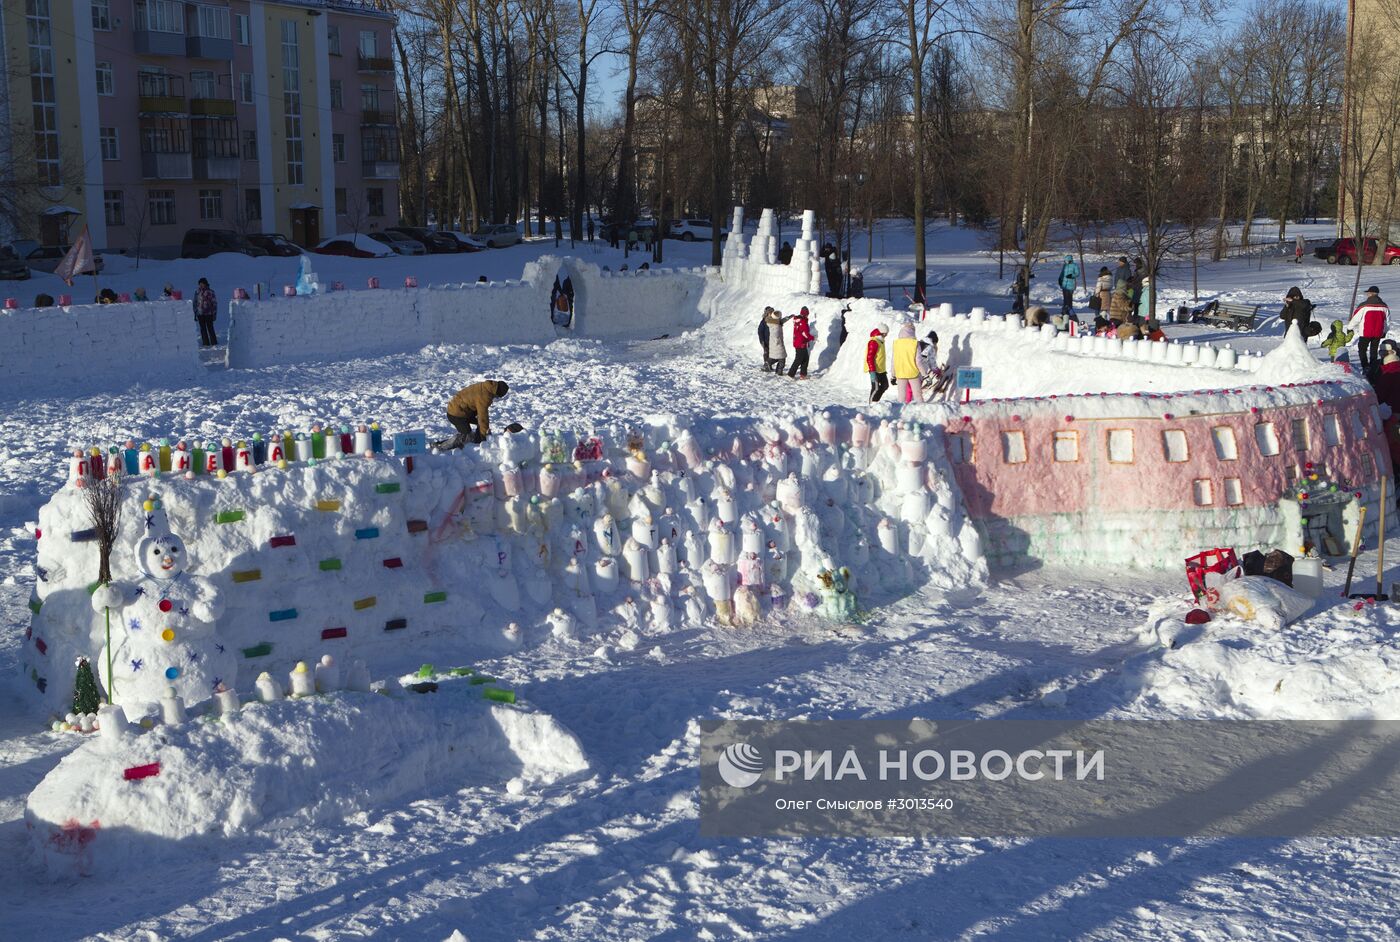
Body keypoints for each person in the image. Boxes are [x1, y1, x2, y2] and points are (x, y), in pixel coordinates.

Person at [444, 379, 509, 448]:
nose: (495, 398)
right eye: (497, 396)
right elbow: (483, 417)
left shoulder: (487, 386)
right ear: (497, 392)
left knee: (479, 423)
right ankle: (443, 447)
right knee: (466, 435)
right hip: (456, 414)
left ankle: (478, 440)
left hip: (461, 409)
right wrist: (485, 435)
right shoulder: (485, 396)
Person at [1347, 286, 1391, 375]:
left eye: (1368, 293)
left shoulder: (1364, 306)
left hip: (1365, 332)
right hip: (1378, 332)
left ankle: (1365, 366)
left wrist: (1349, 328)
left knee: (1362, 349)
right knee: (1374, 350)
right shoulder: (1384, 307)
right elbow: (1387, 321)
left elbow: (1356, 319)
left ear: (1371, 293)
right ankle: (1373, 367)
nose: (1367, 294)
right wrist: (1384, 331)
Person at [891, 322, 923, 404]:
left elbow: (894, 360)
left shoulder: (896, 344)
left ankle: (899, 413)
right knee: (918, 396)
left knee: (901, 397)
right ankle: (922, 412)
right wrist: (925, 375)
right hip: (913, 373)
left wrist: (893, 375)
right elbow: (918, 361)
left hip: (900, 373)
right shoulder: (915, 343)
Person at [787, 307, 816, 379]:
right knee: (799, 359)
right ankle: (791, 374)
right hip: (801, 343)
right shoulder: (803, 321)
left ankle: (803, 374)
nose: (808, 315)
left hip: (798, 342)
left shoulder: (798, 321)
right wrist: (812, 338)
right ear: (806, 314)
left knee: (805, 358)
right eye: (807, 314)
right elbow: (804, 333)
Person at [764, 307, 791, 373]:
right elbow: (775, 335)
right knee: (782, 358)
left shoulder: (774, 321)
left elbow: (781, 321)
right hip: (777, 344)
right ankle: (778, 371)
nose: (780, 317)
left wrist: (788, 317)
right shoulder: (775, 325)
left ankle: (769, 364)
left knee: (778, 357)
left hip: (775, 344)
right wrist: (778, 341)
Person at [866, 327, 889, 402]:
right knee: (875, 388)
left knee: (885, 385)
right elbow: (870, 357)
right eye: (886, 333)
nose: (887, 335)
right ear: (883, 333)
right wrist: (872, 372)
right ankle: (871, 404)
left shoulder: (880, 341)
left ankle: (875, 402)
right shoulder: (874, 342)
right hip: (874, 369)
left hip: (881, 369)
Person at [193, 277, 218, 346]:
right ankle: (205, 343)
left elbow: (214, 303)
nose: (200, 285)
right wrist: (195, 312)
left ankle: (214, 342)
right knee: (203, 329)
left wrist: (214, 314)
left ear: (205, 284)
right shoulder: (197, 292)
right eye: (199, 284)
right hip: (200, 313)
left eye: (202, 284)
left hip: (209, 313)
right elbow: (195, 302)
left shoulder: (210, 292)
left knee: (210, 328)